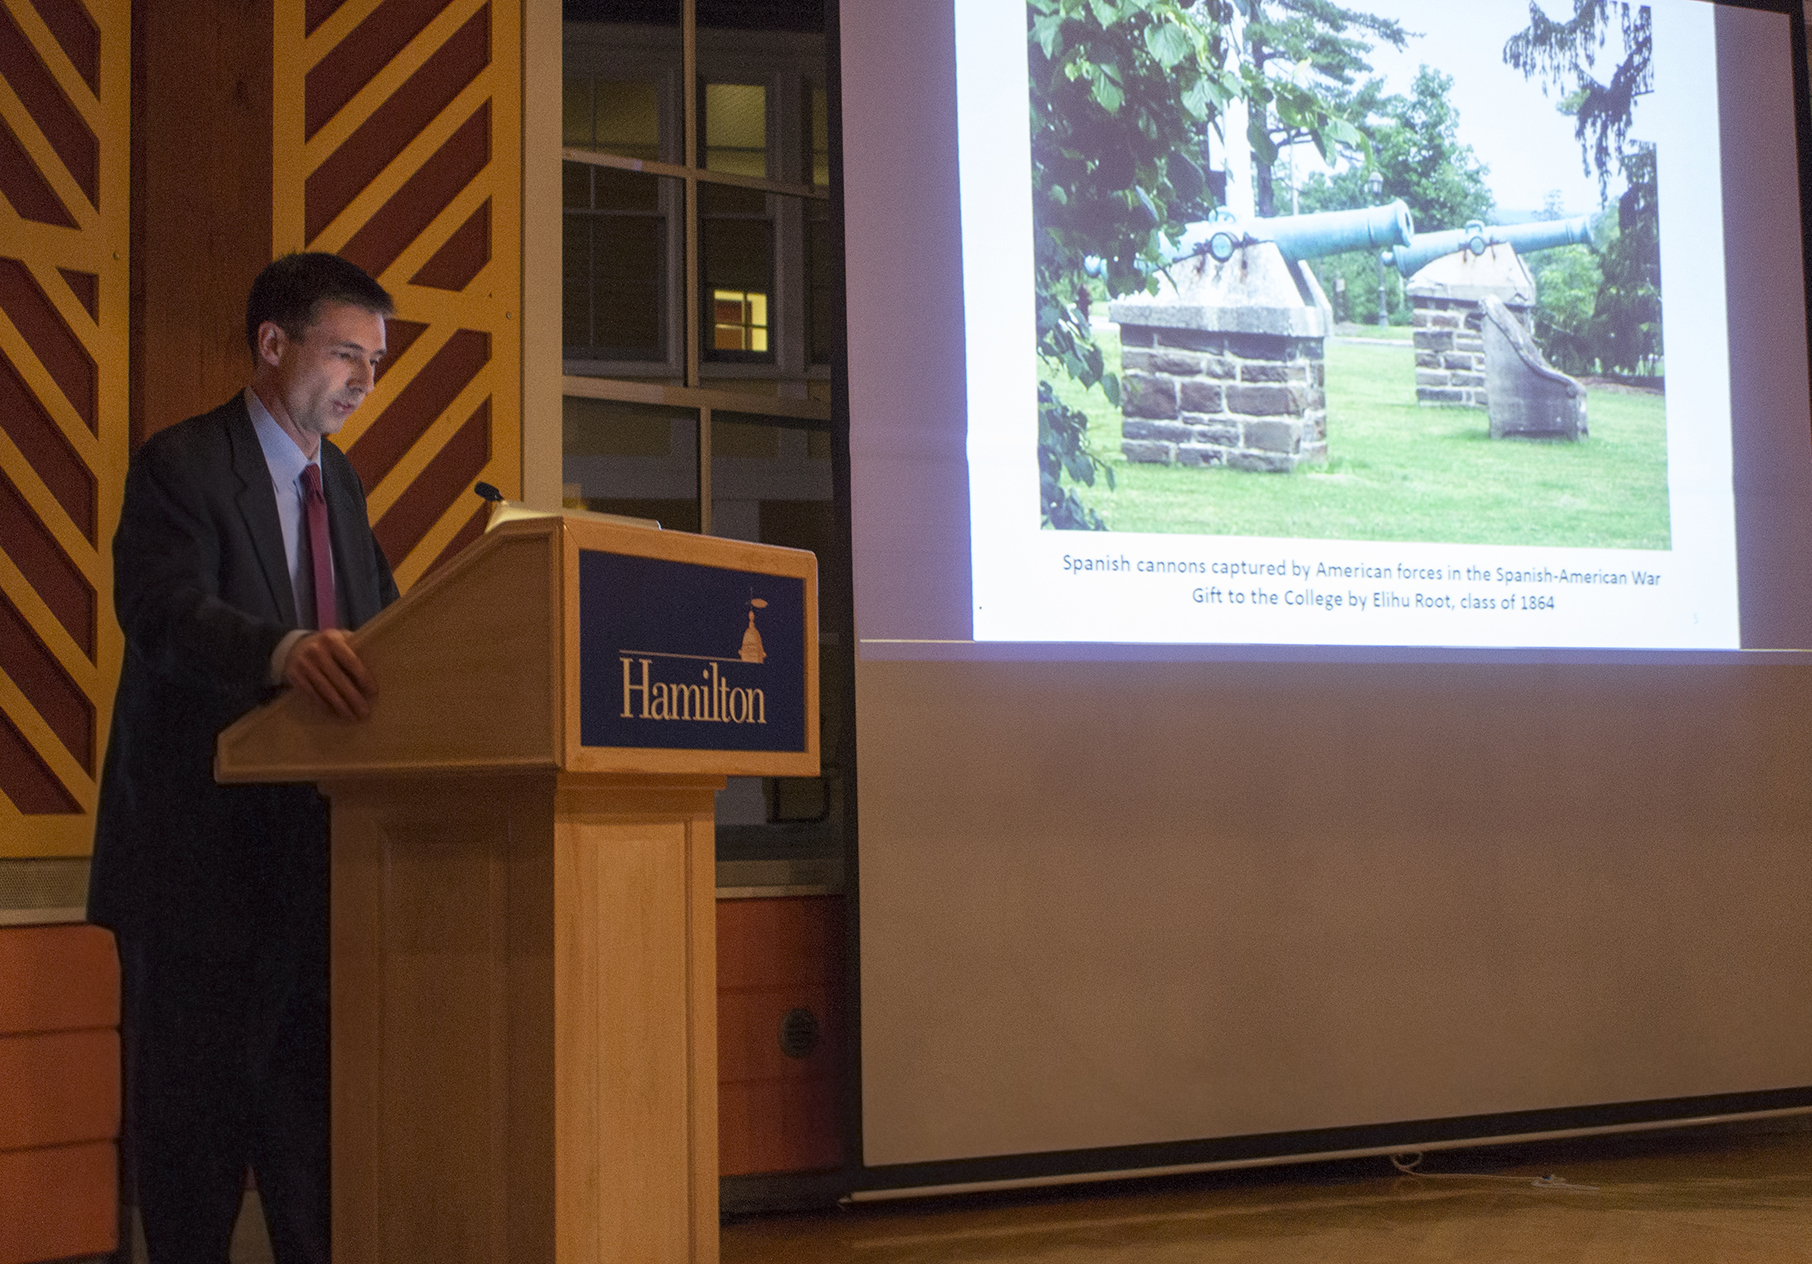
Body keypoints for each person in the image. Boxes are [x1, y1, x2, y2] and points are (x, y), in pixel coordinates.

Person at [89, 252, 401, 1263]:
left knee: (313, 1159)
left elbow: (380, 626)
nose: (363, 379)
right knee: (194, 1162)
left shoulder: (340, 482)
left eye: (376, 361)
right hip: (199, 880)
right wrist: (281, 652)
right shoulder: (181, 463)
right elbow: (161, 612)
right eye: (346, 353)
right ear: (273, 344)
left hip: (313, 878)